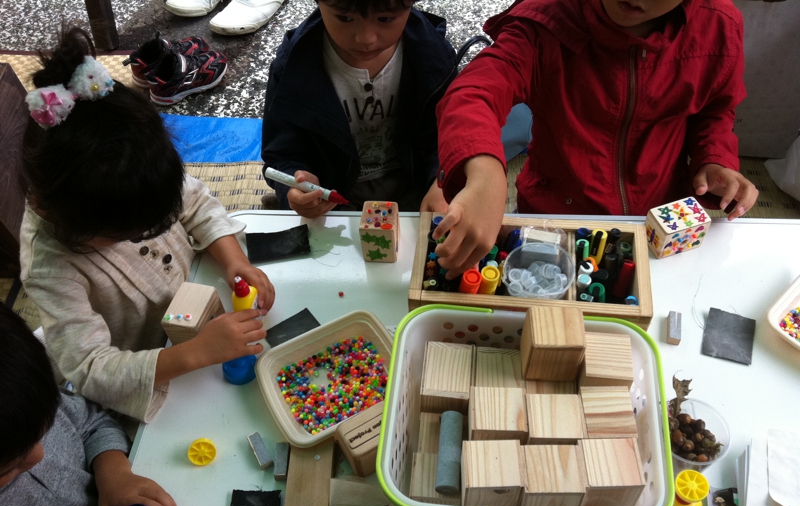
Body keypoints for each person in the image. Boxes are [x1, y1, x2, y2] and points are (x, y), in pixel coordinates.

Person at [19, 28, 275, 422]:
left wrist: (233, 260)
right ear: (65, 219)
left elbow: (195, 201)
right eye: (129, 234)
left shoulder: (136, 178)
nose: (148, 234)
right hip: (148, 366)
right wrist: (195, 353)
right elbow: (89, 368)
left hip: (199, 317)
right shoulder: (49, 268)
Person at [433, 0, 759, 277]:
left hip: (658, 215)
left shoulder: (719, 24)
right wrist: (486, 172)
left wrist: (714, 158)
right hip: (557, 212)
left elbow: (715, 109)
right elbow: (473, 93)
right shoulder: (544, 20)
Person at [0, 303, 180, 506]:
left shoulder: (20, 400)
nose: (39, 456)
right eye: (7, 468)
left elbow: (90, 421)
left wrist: (114, 474)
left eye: (45, 431)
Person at [261, 0, 456, 217]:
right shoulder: (292, 67)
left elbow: (447, 138)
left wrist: (441, 181)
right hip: (330, 198)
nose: (366, 39)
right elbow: (281, 153)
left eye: (385, 19)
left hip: (415, 187)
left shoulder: (434, 58)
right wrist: (293, 187)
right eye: (345, 18)